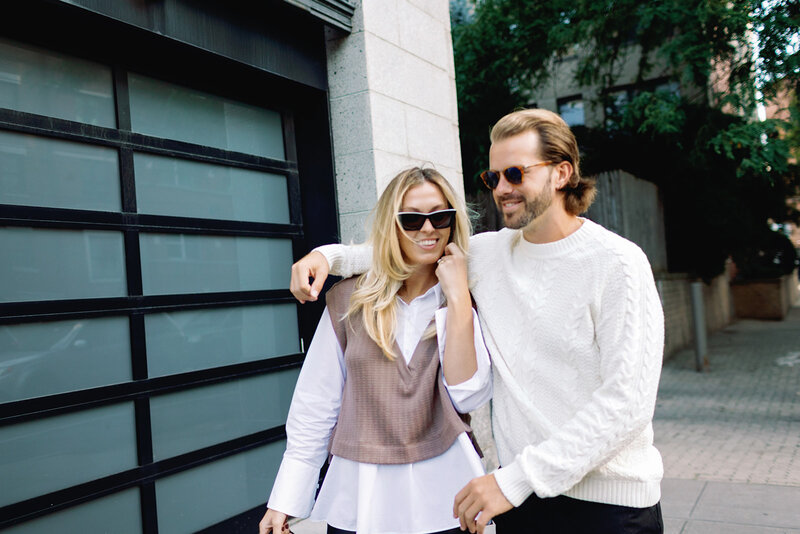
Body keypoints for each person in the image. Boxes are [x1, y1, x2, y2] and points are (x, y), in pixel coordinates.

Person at [289, 109, 665, 534]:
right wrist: (328, 256)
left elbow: (627, 405)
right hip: (522, 501)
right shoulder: (489, 254)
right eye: (493, 178)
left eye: (515, 174)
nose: (501, 189)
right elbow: (407, 246)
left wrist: (515, 480)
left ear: (562, 173)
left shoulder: (618, 263)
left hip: (606, 506)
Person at [260, 167, 492, 534]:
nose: (428, 229)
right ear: (392, 224)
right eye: (412, 219)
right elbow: (316, 404)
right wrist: (285, 498)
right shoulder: (348, 300)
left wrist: (458, 298)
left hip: (446, 496)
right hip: (360, 495)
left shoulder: (470, 293)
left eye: (440, 216)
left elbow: (468, 396)